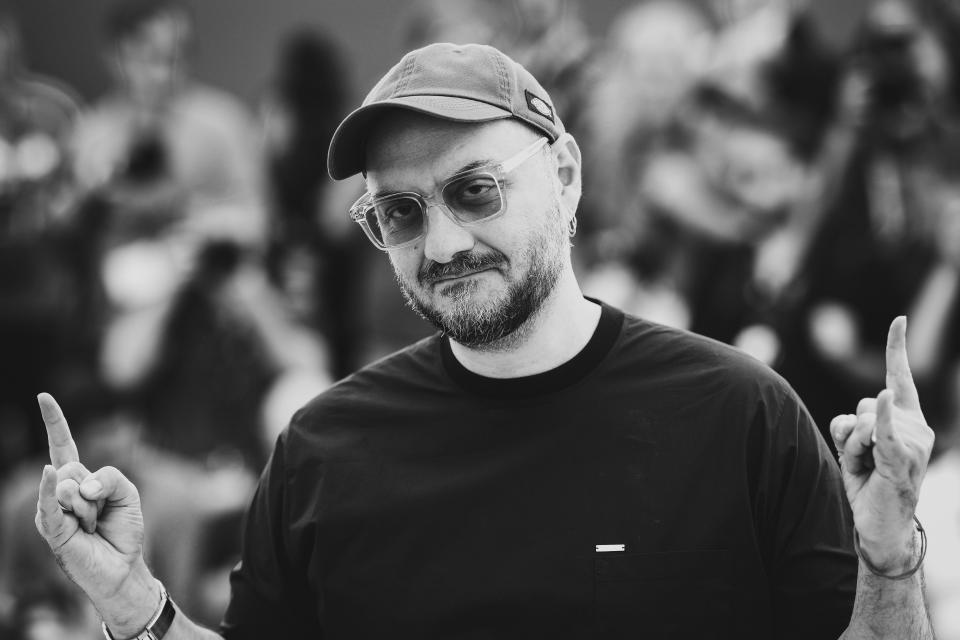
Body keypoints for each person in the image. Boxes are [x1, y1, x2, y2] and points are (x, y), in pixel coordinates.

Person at [34, 43, 935, 639]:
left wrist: (890, 558)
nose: (444, 244)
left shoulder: (740, 415)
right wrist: (135, 607)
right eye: (399, 212)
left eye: (476, 191)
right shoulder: (323, 452)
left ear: (568, 176)